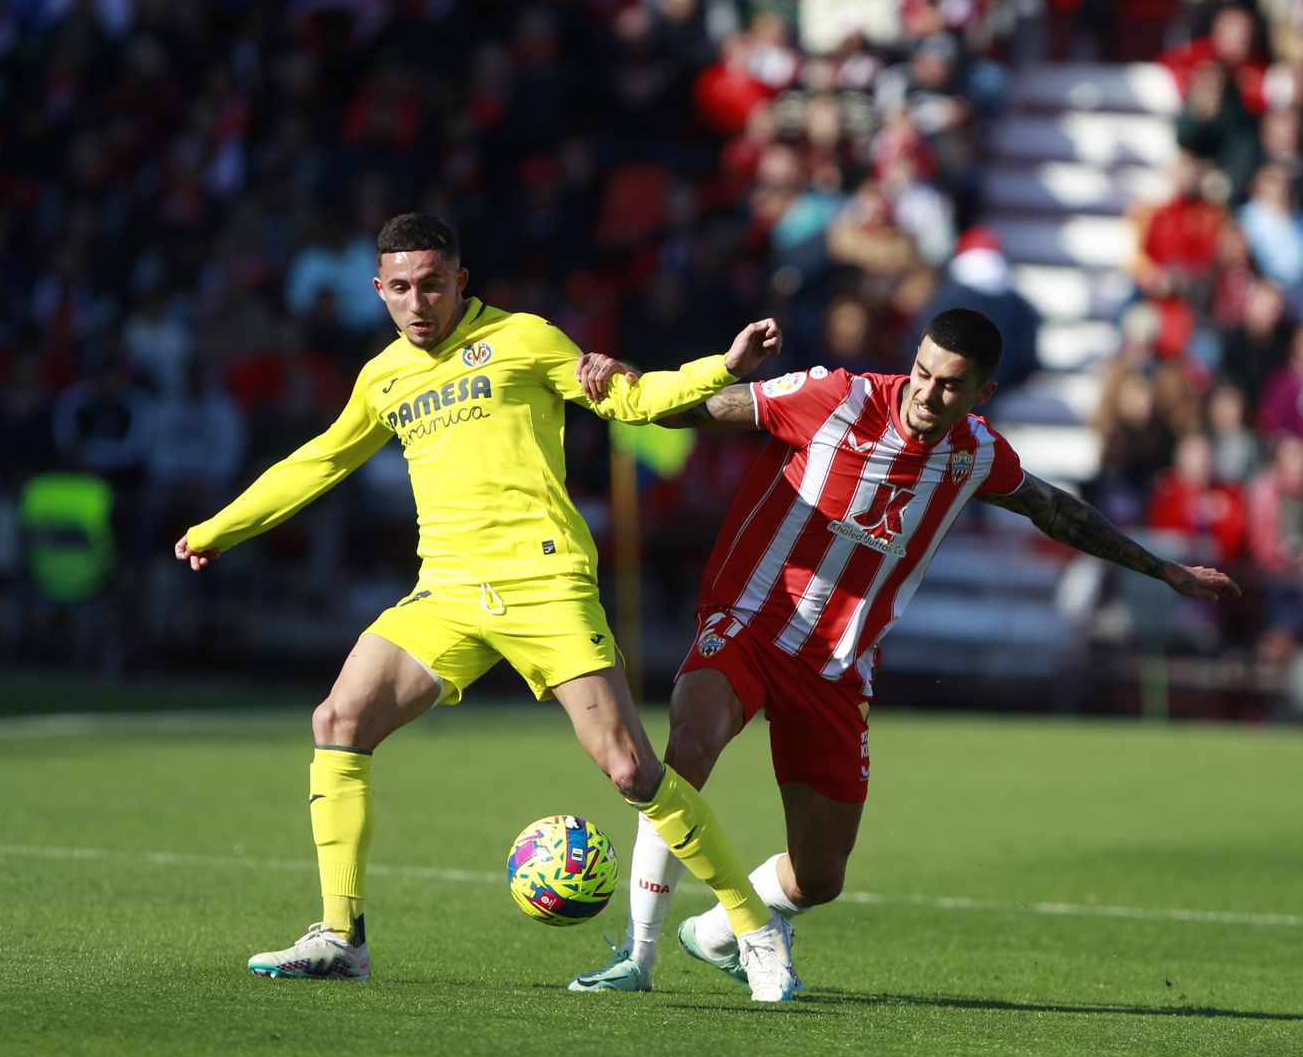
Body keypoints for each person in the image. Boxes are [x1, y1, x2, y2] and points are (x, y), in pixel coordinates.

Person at [174, 213, 800, 1001]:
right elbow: (320, 460)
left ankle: (751, 926)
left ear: (460, 282)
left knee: (634, 771)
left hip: (544, 583)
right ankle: (341, 935)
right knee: (338, 721)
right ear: (378, 290)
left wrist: (723, 366)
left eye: (432, 284)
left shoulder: (526, 339)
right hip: (446, 591)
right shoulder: (383, 378)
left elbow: (632, 401)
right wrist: (220, 530)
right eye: (400, 288)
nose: (417, 302)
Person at [567, 308, 1240, 993]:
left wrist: (1164, 570)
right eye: (921, 373)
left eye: (949, 386)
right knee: (692, 741)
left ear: (982, 395)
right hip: (750, 621)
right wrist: (635, 386)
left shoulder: (975, 452)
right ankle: (638, 954)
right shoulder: (838, 397)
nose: (926, 393)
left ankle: (711, 933)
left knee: (820, 876)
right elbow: (701, 411)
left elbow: (1055, 509)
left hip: (837, 668)